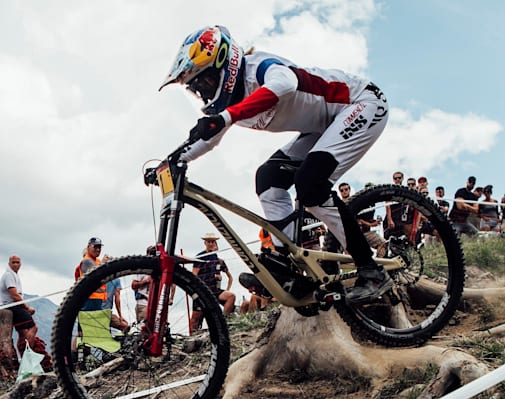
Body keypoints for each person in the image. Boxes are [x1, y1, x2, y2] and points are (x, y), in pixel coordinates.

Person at [160, 25, 391, 303]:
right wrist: (171, 162)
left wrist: (227, 117)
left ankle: (372, 272)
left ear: (225, 64)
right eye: (196, 90)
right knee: (268, 179)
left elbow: (285, 83)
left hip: (360, 103)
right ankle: (289, 267)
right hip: (323, 125)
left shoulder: (259, 67)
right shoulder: (230, 104)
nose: (203, 93)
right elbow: (208, 139)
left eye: (204, 83)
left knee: (311, 185)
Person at [0, 255, 52, 371]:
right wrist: (27, 308)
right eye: (14, 262)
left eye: (18, 262)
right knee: (34, 328)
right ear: (9, 263)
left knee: (22, 333)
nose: (16, 265)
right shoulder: (8, 275)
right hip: (13, 307)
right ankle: (28, 354)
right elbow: (14, 295)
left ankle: (24, 356)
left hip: (12, 307)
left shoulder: (13, 274)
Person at [191, 233, 236, 331]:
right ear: (205, 243)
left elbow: (229, 277)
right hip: (202, 291)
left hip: (215, 290)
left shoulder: (217, 259)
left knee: (231, 296)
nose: (211, 243)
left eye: (212, 241)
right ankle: (191, 337)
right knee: (196, 317)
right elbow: (194, 275)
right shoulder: (200, 256)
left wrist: (225, 286)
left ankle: (223, 322)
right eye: (209, 241)